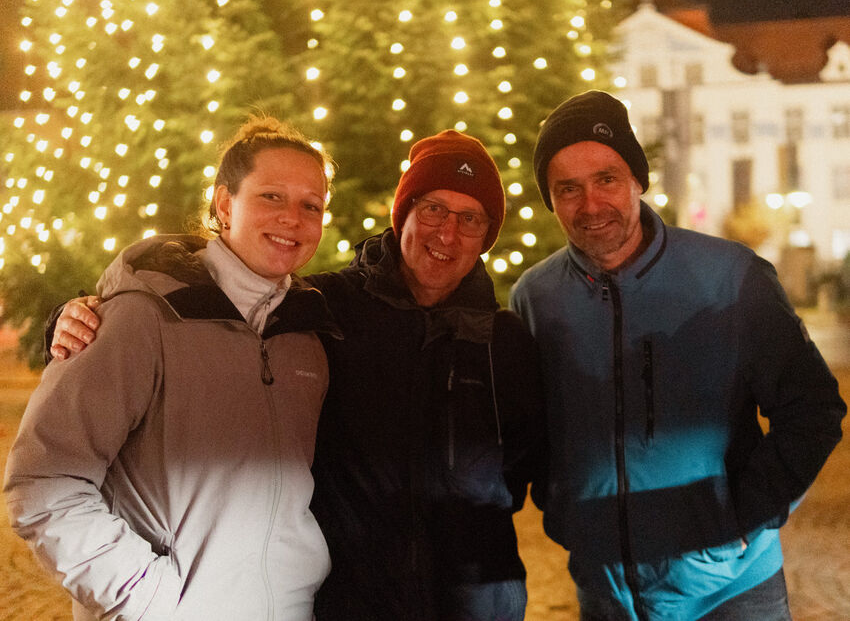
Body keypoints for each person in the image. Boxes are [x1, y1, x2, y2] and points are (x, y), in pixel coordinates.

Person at [44, 129, 546, 620]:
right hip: (350, 603)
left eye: (470, 218)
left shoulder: (505, 342)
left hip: (476, 605)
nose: (447, 233)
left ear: (487, 236)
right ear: (403, 215)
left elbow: (524, 463)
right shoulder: (321, 309)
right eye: (433, 208)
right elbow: (225, 306)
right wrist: (75, 320)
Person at [510, 90, 847, 621]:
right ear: (551, 200)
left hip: (731, 592)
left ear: (638, 180)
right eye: (568, 189)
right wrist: (567, 513)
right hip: (606, 593)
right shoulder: (535, 296)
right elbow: (533, 432)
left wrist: (742, 521)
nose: (590, 205)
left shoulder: (731, 277)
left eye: (606, 179)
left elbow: (812, 411)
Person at [5, 116, 340, 620]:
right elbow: (44, 480)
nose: (292, 217)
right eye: (271, 196)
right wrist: (150, 600)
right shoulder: (140, 317)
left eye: (311, 205)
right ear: (225, 204)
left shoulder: (308, 339)